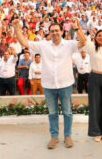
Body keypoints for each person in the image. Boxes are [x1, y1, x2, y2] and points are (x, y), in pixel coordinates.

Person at [16, 18, 80, 150]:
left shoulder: (69, 44)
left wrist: (77, 28)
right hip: (49, 86)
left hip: (65, 84)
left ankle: (68, 136)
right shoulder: (43, 45)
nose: (55, 33)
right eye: (52, 31)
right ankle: (54, 136)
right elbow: (24, 42)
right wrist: (16, 27)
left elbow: (84, 42)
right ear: (49, 33)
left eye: (57, 30)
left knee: (67, 112)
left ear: (62, 31)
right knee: (52, 113)